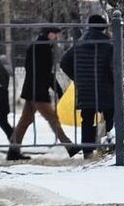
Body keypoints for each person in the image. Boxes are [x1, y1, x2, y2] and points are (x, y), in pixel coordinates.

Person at [8, 26, 77, 161]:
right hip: (38, 91)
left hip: (33, 89)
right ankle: (69, 146)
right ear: (48, 34)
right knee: (52, 119)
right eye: (55, 34)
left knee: (25, 121)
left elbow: (41, 71)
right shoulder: (42, 48)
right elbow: (45, 72)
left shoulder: (39, 46)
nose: (57, 37)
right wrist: (57, 89)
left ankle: (13, 150)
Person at [60, 14, 115, 157]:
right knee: (110, 117)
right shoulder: (108, 45)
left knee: (87, 119)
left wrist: (78, 78)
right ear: (103, 28)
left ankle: (87, 151)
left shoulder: (79, 44)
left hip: (85, 88)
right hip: (105, 87)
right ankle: (110, 147)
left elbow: (64, 63)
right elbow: (113, 67)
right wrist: (112, 81)